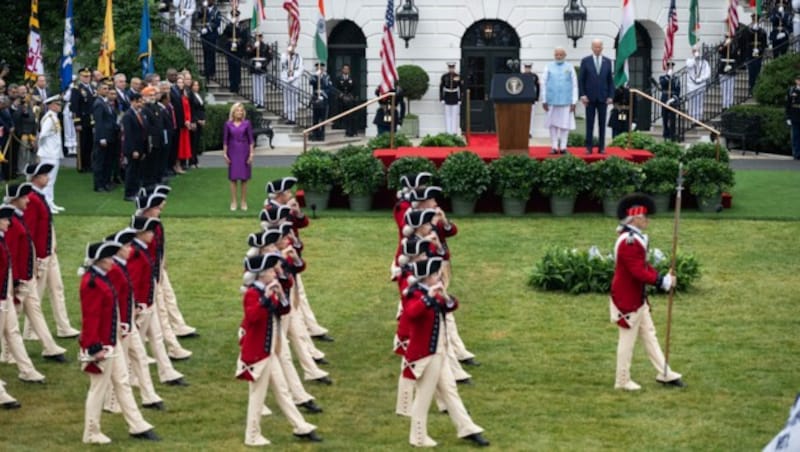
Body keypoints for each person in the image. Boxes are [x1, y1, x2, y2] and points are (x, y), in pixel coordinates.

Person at [78, 240, 160, 444]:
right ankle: (91, 432)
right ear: (99, 261)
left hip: (110, 342)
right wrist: (95, 348)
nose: (111, 262)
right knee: (97, 390)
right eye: (107, 258)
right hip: (101, 346)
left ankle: (137, 424)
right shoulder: (92, 283)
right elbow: (91, 317)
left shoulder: (100, 278)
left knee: (122, 381)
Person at [237, 253, 323, 446]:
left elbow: (282, 310)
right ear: (260, 275)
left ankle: (300, 426)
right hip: (258, 354)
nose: (273, 273)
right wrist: (267, 298)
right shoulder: (253, 294)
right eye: (269, 270)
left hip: (267, 351)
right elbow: (253, 318)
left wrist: (281, 295)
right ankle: (251, 436)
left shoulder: (265, 290)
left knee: (283, 391)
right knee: (257, 398)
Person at [403, 257, 489, 447]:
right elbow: (412, 314)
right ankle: (418, 437)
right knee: (423, 398)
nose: (439, 277)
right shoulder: (414, 293)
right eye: (435, 275)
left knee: (450, 391)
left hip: (439, 352)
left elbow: (451, 306)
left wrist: (445, 295)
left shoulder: (434, 292)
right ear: (426, 277)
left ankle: (467, 428)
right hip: (424, 355)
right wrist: (429, 297)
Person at [610, 194, 685, 391]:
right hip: (628, 299)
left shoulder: (634, 239)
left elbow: (644, 266)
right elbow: (638, 271)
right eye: (644, 217)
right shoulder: (630, 242)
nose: (647, 220)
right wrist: (661, 281)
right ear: (634, 219)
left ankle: (665, 373)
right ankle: (622, 380)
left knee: (650, 335)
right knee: (627, 341)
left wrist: (663, 279)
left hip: (637, 298)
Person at [102, 228, 164, 412]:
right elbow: (117, 297)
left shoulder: (121, 265)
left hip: (127, 319)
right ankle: (111, 402)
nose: (130, 248)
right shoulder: (116, 269)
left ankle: (148, 395)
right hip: (121, 323)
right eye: (126, 245)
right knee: (119, 364)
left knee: (139, 356)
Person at [5, 183, 67, 362]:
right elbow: (11, 253)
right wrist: (16, 281)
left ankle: (50, 348)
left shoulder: (16, 217)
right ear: (15, 200)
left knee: (36, 312)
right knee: (11, 320)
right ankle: (7, 354)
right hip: (19, 280)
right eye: (24, 197)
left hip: (27, 277)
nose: (27, 200)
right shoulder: (11, 221)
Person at [22, 163, 80, 339]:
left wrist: (52, 243)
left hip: (48, 252)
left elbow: (46, 224)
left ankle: (63, 326)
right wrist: (35, 257)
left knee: (57, 288)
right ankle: (30, 330)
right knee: (36, 294)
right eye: (44, 175)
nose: (47, 177)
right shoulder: (31, 198)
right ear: (35, 179)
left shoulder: (38, 196)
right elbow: (29, 231)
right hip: (40, 255)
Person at [0, 203, 46, 385]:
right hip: (2, 297)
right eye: (4, 219)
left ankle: (27, 370)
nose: (8, 223)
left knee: (13, 331)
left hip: (6, 296)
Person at [578, 39, 615, 154]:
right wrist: (582, 95)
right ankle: (588, 147)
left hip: (603, 98)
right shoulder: (585, 61)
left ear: (602, 48)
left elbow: (610, 81)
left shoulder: (607, 61)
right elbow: (581, 80)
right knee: (589, 123)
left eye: (599, 47)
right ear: (592, 47)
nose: (597, 49)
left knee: (602, 124)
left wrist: (610, 96)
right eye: (595, 47)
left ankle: (602, 147)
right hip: (589, 98)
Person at [542, 46, 578, 155]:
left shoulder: (570, 67)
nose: (558, 57)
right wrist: (544, 100)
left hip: (566, 101)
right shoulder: (548, 66)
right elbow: (543, 83)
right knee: (552, 124)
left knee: (564, 124)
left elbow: (575, 85)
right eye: (556, 55)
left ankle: (563, 147)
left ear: (565, 56)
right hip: (551, 100)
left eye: (561, 55)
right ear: (554, 55)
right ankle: (553, 146)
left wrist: (574, 101)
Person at [36, 95, 65, 211]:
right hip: (49, 153)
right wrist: (42, 149)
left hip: (53, 152)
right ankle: (46, 204)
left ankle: (50, 202)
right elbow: (42, 135)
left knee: (51, 180)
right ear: (51, 105)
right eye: (57, 104)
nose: (60, 106)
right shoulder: (49, 118)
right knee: (47, 180)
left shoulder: (54, 117)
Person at [224, 102, 254, 211]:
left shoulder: (247, 123)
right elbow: (225, 140)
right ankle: (233, 202)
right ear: (233, 112)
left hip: (244, 151)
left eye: (241, 111)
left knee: (244, 179)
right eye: (238, 110)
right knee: (233, 178)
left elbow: (251, 140)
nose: (240, 112)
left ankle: (243, 202)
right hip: (232, 151)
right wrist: (225, 154)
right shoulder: (228, 124)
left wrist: (251, 154)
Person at [92, 79, 119, 193]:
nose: (106, 91)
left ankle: (106, 182)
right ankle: (99, 184)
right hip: (103, 137)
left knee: (108, 161)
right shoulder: (98, 103)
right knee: (100, 161)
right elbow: (99, 122)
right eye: (104, 89)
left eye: (108, 89)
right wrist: (102, 137)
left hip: (110, 136)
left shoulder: (106, 103)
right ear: (98, 91)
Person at [122, 92, 148, 201]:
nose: (141, 104)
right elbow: (129, 135)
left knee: (137, 171)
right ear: (133, 102)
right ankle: (129, 193)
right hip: (133, 149)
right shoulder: (128, 116)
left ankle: (136, 191)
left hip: (140, 147)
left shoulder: (139, 114)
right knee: (131, 171)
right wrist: (133, 150)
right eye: (139, 102)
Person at [71, 67, 96, 172]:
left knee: (90, 143)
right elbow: (75, 106)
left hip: (91, 119)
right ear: (80, 77)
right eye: (85, 76)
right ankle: (82, 165)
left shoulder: (93, 87)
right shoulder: (76, 89)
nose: (87, 78)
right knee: (83, 143)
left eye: (89, 76)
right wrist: (77, 122)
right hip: (82, 119)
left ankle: (89, 163)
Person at [738, 14, 767, 95]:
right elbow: (744, 41)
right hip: (750, 53)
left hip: (758, 53)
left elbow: (764, 43)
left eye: (756, 20)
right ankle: (751, 88)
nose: (755, 22)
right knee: (751, 72)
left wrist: (760, 49)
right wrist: (753, 31)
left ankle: (756, 88)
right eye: (754, 20)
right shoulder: (747, 31)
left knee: (757, 71)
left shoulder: (762, 31)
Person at [222, 9, 248, 94]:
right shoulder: (229, 27)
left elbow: (244, 38)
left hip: (238, 51)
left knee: (237, 68)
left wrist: (238, 42)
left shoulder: (241, 26)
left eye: (236, 16)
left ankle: (237, 85)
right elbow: (224, 36)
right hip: (231, 50)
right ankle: (232, 85)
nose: (235, 17)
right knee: (231, 68)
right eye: (233, 16)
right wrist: (230, 42)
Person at [685, 45, 710, 121]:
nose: (696, 52)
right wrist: (695, 58)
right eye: (694, 51)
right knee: (692, 102)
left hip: (701, 84)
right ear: (692, 52)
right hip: (692, 86)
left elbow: (708, 73)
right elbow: (690, 65)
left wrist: (702, 79)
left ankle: (699, 118)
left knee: (699, 102)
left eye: (697, 51)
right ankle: (692, 118)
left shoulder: (704, 62)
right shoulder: (689, 60)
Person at [198, 0, 222, 80]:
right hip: (204, 36)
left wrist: (208, 29)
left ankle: (211, 71)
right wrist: (202, 9)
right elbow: (198, 16)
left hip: (212, 35)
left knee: (211, 54)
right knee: (205, 53)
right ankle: (206, 70)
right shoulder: (205, 9)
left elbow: (217, 23)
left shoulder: (216, 11)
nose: (208, 1)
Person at [174, 74, 193, 172]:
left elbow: (188, 109)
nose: (181, 84)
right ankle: (177, 165)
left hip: (186, 121)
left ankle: (182, 164)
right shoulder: (176, 95)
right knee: (180, 146)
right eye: (179, 82)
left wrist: (188, 120)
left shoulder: (184, 94)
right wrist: (185, 121)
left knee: (184, 145)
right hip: (181, 123)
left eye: (182, 82)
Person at [248, 32, 272, 109]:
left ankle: (261, 102)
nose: (259, 38)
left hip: (262, 68)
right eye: (257, 36)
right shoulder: (253, 45)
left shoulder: (265, 46)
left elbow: (269, 57)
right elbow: (248, 55)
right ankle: (256, 101)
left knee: (261, 86)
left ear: (262, 37)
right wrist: (254, 48)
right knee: (255, 86)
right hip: (255, 68)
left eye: (260, 36)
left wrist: (263, 64)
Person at [280, 45, 303, 125]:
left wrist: (293, 77)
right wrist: (287, 54)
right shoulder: (284, 56)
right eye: (290, 47)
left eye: (293, 47)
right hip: (286, 80)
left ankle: (292, 118)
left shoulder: (298, 57)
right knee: (287, 99)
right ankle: (288, 117)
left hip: (294, 81)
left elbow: (300, 69)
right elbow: (283, 64)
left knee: (293, 99)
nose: (291, 49)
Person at [309, 63, 331, 141]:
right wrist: (316, 76)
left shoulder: (326, 77)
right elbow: (311, 82)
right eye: (318, 68)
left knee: (322, 118)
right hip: (316, 99)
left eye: (321, 68)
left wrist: (323, 93)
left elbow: (329, 88)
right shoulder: (314, 76)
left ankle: (322, 135)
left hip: (323, 99)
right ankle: (315, 134)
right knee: (315, 118)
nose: (319, 69)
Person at [440, 62, 463, 135]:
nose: (451, 69)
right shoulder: (444, 76)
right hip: (447, 96)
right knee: (447, 115)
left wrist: (460, 99)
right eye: (450, 68)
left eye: (452, 68)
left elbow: (461, 88)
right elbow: (441, 88)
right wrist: (442, 98)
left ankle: (454, 132)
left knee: (454, 115)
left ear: (454, 68)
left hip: (455, 96)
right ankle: (448, 131)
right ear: (448, 68)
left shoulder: (457, 76)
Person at [659, 62, 680, 141]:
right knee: (664, 117)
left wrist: (673, 98)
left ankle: (672, 135)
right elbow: (662, 84)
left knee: (672, 118)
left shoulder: (676, 78)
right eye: (669, 67)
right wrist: (668, 76)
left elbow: (678, 90)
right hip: (664, 99)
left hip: (672, 100)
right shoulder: (662, 77)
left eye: (671, 67)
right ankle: (665, 134)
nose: (670, 68)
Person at [336, 64, 358, 137]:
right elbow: (336, 88)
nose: (346, 70)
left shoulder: (352, 78)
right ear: (342, 70)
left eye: (347, 69)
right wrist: (341, 95)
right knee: (343, 116)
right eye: (344, 69)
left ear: (349, 70)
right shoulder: (338, 78)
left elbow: (355, 88)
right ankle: (342, 128)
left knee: (351, 116)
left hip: (350, 100)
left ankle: (351, 131)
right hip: (341, 100)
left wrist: (351, 96)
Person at [718, 38, 738, 110]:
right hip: (723, 68)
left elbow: (735, 54)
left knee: (730, 88)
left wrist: (731, 45)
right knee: (724, 88)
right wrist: (725, 45)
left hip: (731, 67)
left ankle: (730, 103)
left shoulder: (734, 45)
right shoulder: (723, 44)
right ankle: (724, 105)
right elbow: (720, 51)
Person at [189, 80, 206, 167]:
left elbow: (202, 109)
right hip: (195, 121)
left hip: (201, 120)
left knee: (197, 141)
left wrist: (204, 119)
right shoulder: (191, 96)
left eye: (197, 85)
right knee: (193, 142)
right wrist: (197, 120)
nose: (196, 87)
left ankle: (196, 160)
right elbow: (192, 110)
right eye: (194, 85)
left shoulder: (199, 95)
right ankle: (192, 161)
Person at [522, 63, 541, 138]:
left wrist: (537, 98)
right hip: (523, 99)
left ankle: (530, 132)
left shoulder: (534, 76)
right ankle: (523, 131)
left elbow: (538, 87)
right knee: (523, 116)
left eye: (529, 68)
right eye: (526, 68)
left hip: (532, 99)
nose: (527, 69)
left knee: (531, 116)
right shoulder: (522, 76)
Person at [785, 74, 800, 160]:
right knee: (795, 136)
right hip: (794, 115)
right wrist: (788, 117)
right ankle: (796, 154)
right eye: (798, 80)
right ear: (796, 81)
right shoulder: (791, 90)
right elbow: (788, 105)